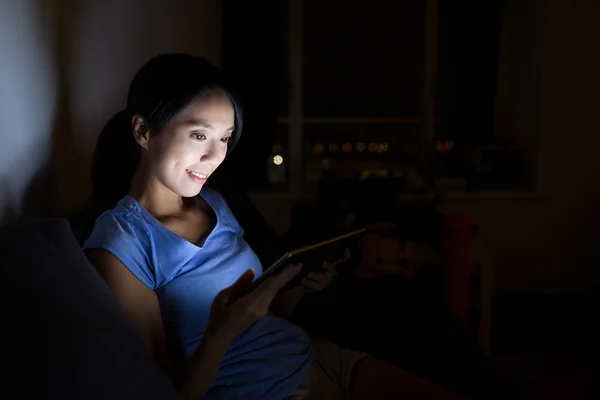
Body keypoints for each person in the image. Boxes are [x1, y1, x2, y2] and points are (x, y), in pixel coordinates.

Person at [84, 54, 464, 399]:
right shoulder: (122, 241)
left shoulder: (213, 202)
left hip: (318, 357)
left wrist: (297, 285)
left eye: (225, 138)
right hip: (267, 391)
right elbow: (164, 392)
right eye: (199, 135)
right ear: (144, 131)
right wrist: (221, 334)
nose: (215, 157)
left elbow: (265, 311)